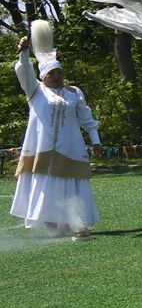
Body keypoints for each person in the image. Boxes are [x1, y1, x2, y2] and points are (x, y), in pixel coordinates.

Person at [11, 24, 101, 240]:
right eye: (52, 72)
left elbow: (87, 119)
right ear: (43, 75)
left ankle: (74, 220)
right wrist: (24, 52)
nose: (57, 75)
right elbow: (24, 71)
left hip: (71, 145)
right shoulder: (35, 91)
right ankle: (51, 222)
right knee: (47, 184)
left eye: (60, 72)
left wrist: (95, 141)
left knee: (72, 182)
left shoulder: (74, 92)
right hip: (43, 146)